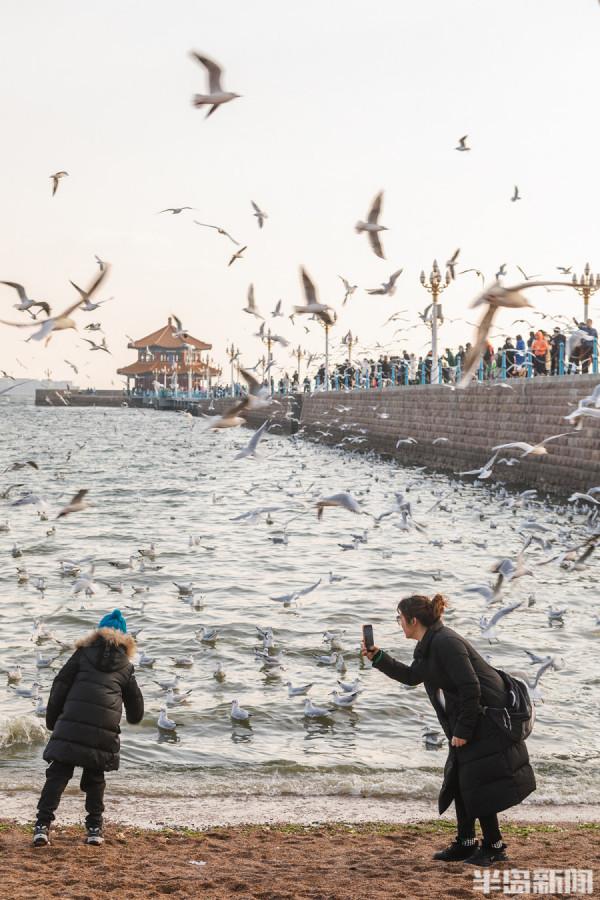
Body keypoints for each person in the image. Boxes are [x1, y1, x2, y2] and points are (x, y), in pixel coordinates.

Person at [362, 594, 536, 867]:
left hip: (486, 721)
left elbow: (471, 688)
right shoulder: (429, 643)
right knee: (462, 779)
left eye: (400, 618)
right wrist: (379, 657)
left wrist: (464, 730)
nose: (399, 623)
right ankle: (466, 843)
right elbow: (412, 677)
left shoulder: (446, 643)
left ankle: (494, 846)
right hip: (472, 720)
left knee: (477, 783)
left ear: (413, 620)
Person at [33, 610, 144, 848]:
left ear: (97, 633)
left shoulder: (81, 655)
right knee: (95, 778)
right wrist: (133, 717)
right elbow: (136, 706)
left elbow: (59, 685)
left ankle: (42, 827)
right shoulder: (125, 666)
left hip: (71, 725)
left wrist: (53, 722)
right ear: (124, 638)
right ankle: (94, 829)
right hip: (102, 732)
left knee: (58, 774)